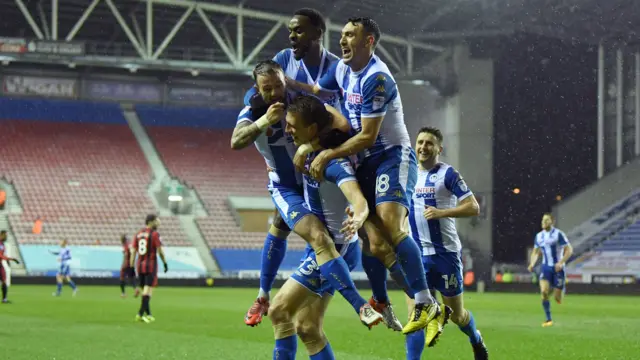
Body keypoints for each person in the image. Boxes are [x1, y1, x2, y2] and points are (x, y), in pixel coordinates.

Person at [287, 17, 440, 338]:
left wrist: (325, 152)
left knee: (390, 223)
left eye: (350, 35)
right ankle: (384, 301)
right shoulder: (343, 69)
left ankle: (426, 301)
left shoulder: (377, 78)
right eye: (341, 35)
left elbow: (368, 136)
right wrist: (284, 83)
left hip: (390, 156)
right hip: (362, 163)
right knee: (375, 245)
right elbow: (317, 95)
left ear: (369, 41)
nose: (342, 41)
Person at [232, 60, 382, 329]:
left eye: (279, 84)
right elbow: (236, 141)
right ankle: (361, 305)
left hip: (308, 182)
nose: (276, 92)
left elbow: (342, 123)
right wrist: (265, 121)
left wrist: (309, 146)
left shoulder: (300, 103)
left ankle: (264, 296)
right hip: (285, 187)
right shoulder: (252, 111)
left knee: (285, 227)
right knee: (317, 236)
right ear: (257, 88)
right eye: (268, 88)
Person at [238, 7, 341, 327]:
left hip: (321, 161)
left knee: (347, 229)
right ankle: (267, 293)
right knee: (291, 226)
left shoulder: (335, 67)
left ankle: (392, 292)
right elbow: (257, 91)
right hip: (290, 176)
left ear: (317, 34)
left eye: (299, 31)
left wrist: (313, 143)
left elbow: (337, 116)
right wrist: (260, 108)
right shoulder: (283, 58)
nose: (292, 36)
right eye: (291, 30)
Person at [269, 94, 375, 359]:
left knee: (279, 311)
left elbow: (358, 200)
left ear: (312, 129)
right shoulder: (314, 153)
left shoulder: (333, 164)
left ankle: (361, 305)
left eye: (293, 125)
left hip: (332, 249)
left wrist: (359, 216)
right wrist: (307, 147)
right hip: (330, 248)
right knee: (308, 328)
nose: (287, 130)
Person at [404, 127, 489, 359]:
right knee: (416, 316)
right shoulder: (407, 173)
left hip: (445, 255)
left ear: (439, 149)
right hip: (416, 255)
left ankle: (476, 338)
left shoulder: (448, 174)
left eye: (429, 143)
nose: (423, 147)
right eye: (420, 142)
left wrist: (442, 213)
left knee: (456, 315)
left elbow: (474, 207)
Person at [528, 213, 573, 327]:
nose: (544, 222)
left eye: (547, 220)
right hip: (546, 267)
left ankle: (559, 289)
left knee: (558, 299)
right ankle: (548, 319)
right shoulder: (539, 236)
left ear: (552, 222)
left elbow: (569, 250)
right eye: (543, 220)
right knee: (543, 292)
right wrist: (532, 263)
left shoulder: (558, 234)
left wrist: (561, 262)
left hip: (558, 268)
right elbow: (535, 251)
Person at [131, 215, 168, 323]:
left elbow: (133, 251)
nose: (159, 223)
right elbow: (160, 250)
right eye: (157, 221)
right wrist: (165, 263)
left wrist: (131, 265)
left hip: (140, 265)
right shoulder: (154, 234)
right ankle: (140, 314)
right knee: (148, 290)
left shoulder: (138, 234)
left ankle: (149, 315)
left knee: (145, 290)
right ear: (151, 222)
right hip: (150, 265)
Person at [0, 230, 20, 303]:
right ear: (1, 235)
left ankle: (4, 299)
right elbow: (0, 255)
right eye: (5, 235)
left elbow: (2, 255)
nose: (6, 237)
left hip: (0, 265)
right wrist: (11, 259)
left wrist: (9, 260)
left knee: (4, 281)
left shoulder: (2, 244)